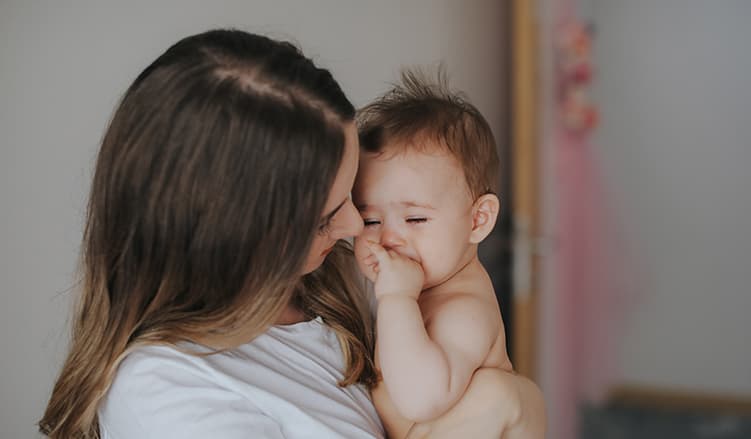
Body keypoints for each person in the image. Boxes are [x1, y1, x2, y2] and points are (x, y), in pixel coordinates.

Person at [38, 29, 543, 439]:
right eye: (330, 215)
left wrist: (515, 406)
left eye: (351, 196)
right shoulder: (167, 390)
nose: (352, 230)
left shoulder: (339, 285)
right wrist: (508, 404)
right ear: (238, 237)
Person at [353, 70, 544, 439]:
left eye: (416, 218)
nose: (391, 237)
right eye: (370, 219)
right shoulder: (425, 291)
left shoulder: (465, 310)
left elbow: (420, 401)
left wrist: (397, 298)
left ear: (478, 220)